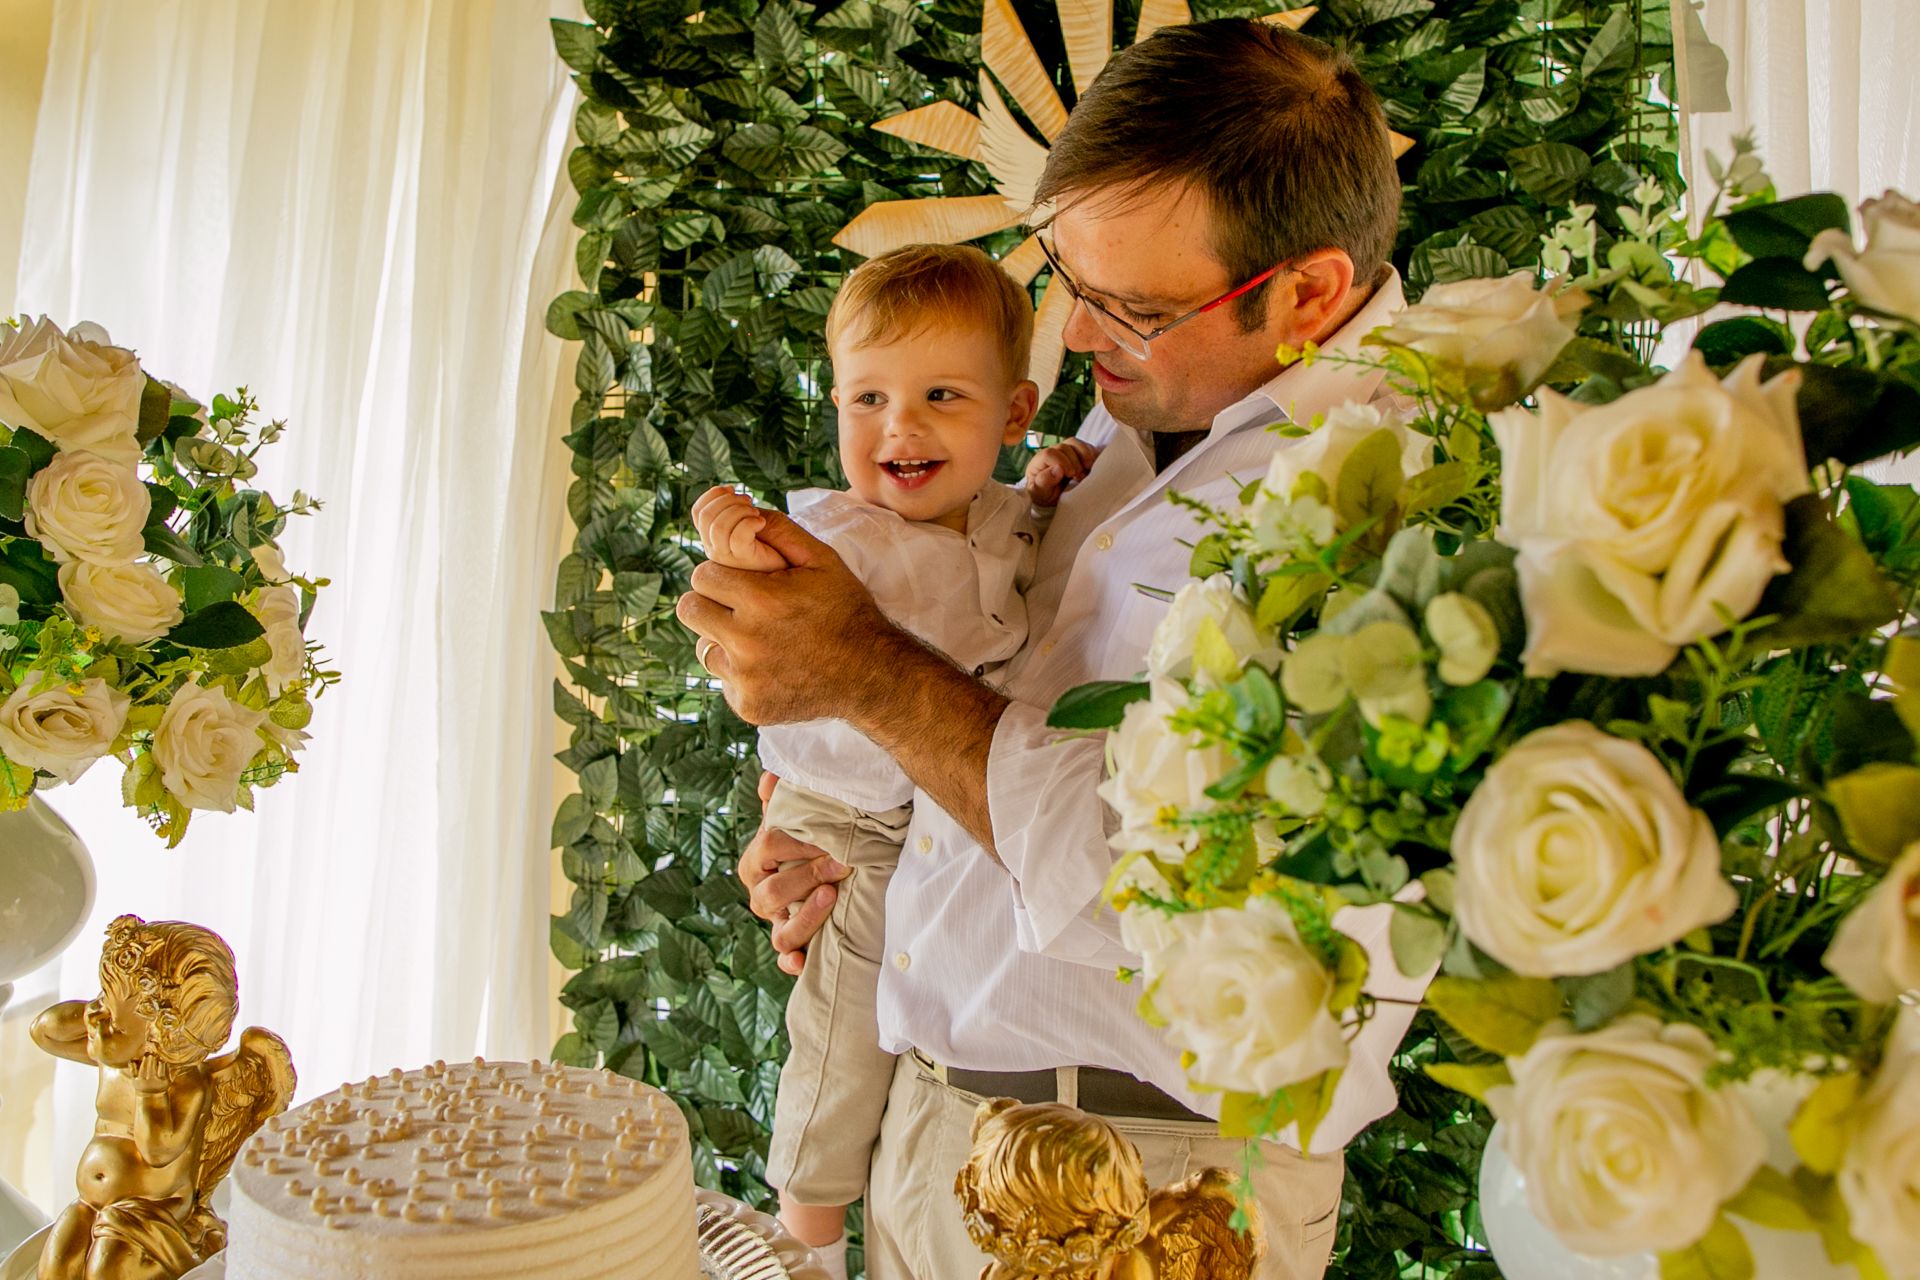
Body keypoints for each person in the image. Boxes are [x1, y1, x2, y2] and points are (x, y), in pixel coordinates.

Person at [677, 19, 1426, 1280]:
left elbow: (1181, 885)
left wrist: (863, 669)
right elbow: (1009, 710)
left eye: (1128, 305)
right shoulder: (1153, 403)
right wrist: (838, 830)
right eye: (1073, 285)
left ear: (1309, 290)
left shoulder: (1401, 506)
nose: (1078, 341)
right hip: (925, 1118)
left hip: (1152, 1189)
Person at [690, 242, 1096, 1280]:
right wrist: (732, 525)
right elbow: (753, 590)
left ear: (1013, 413)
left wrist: (1049, 483)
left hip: (944, 814)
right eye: (865, 397)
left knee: (878, 1001)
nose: (897, 427)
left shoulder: (1008, 514)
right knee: (840, 1021)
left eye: (939, 395)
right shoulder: (842, 533)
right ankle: (808, 1231)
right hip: (853, 814)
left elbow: (1037, 539)